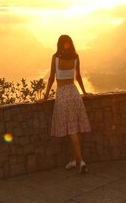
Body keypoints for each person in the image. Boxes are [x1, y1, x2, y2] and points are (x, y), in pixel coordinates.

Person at [42, 35, 92, 174]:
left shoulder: (55, 58)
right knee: (77, 128)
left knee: (71, 130)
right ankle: (74, 159)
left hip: (63, 95)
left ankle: (81, 161)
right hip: (75, 94)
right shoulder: (76, 58)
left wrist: (45, 96)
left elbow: (51, 78)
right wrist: (84, 92)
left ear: (59, 44)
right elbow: (78, 77)